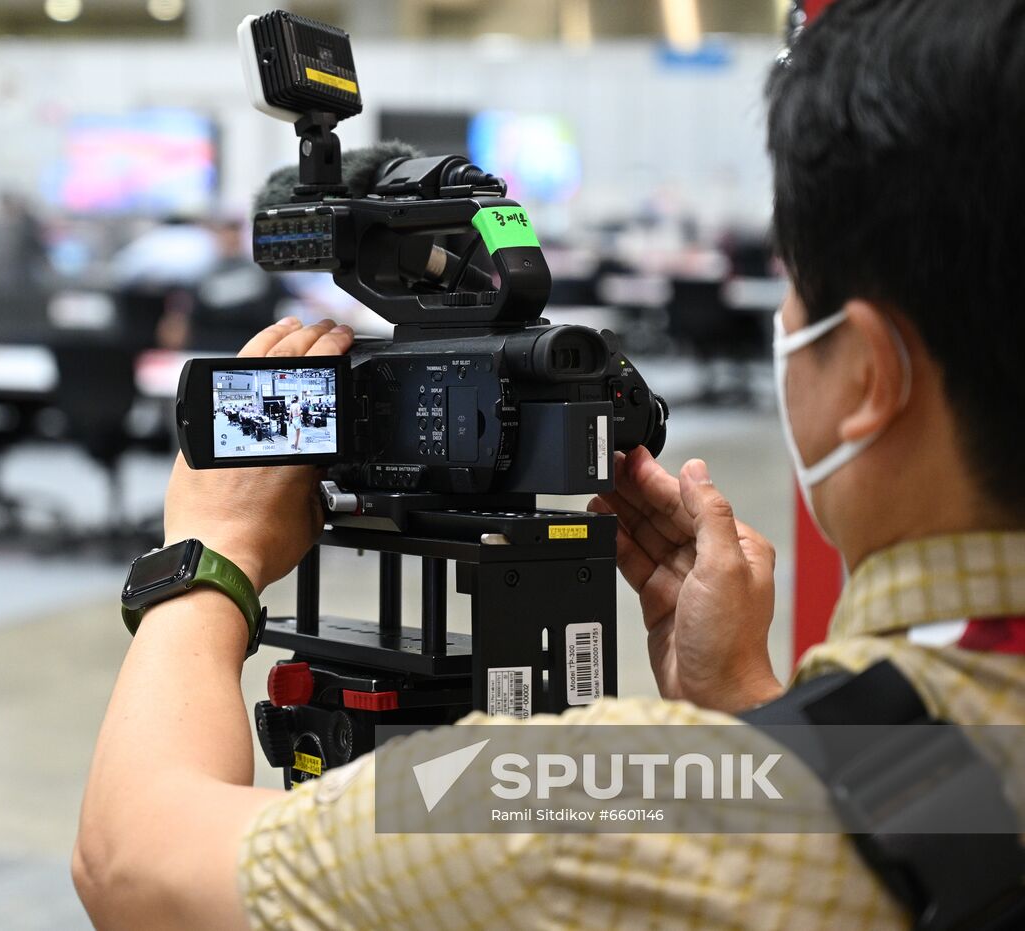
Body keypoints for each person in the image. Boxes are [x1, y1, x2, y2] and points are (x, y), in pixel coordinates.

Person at [73, 1, 1025, 928]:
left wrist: (209, 553)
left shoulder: (574, 813)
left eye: (794, 286)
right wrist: (745, 709)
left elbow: (133, 865)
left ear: (864, 374)